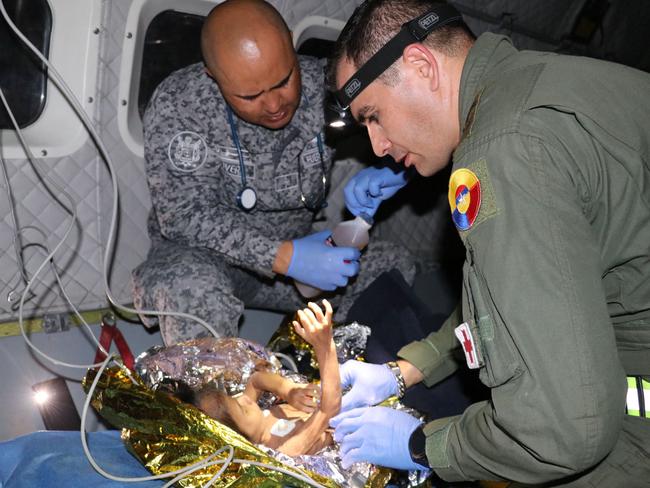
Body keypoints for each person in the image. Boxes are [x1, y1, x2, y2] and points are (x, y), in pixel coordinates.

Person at [326, 0, 650, 486]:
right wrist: (404, 372)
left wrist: (421, 444)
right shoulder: (564, 81)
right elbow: (528, 295)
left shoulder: (502, 151)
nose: (377, 146)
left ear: (420, 65)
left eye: (373, 116)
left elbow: (561, 432)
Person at [131, 0, 416, 345]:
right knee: (192, 287)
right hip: (202, 261)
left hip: (293, 270)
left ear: (293, 50)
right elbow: (183, 218)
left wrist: (397, 165)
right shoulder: (180, 103)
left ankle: (331, 377)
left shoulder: (326, 84)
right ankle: (219, 397)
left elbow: (404, 116)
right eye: (250, 95)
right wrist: (282, 257)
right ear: (213, 77)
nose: (274, 104)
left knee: (392, 266)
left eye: (283, 80)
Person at [183, 300, 340, 456]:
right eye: (242, 409)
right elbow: (329, 409)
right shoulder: (284, 449)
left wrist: (287, 390)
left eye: (234, 399)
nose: (244, 399)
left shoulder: (256, 415)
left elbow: (256, 380)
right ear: (244, 443)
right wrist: (325, 348)